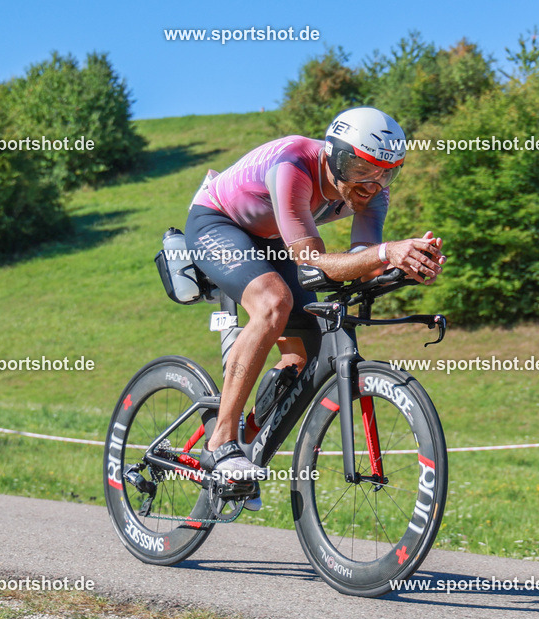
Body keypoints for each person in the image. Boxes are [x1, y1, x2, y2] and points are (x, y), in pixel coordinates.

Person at [184, 106, 445, 502]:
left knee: (306, 354)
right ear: (334, 156)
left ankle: (246, 446)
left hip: (275, 238)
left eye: (385, 174)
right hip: (218, 222)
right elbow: (312, 262)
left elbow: (361, 260)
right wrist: (386, 252)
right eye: (359, 169)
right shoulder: (293, 164)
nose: (370, 185)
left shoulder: (373, 191)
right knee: (273, 303)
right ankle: (221, 442)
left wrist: (407, 263)